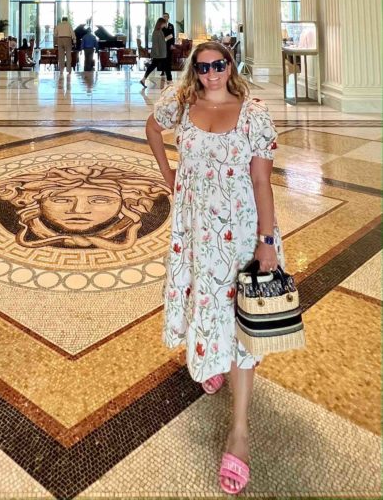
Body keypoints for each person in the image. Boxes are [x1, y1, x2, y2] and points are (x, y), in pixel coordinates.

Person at [144, 41, 281, 496]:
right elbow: (151, 128)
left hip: (241, 231)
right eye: (203, 67)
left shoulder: (253, 112)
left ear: (231, 66)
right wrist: (170, 178)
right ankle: (211, 357)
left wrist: (266, 241)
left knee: (240, 322)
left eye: (219, 64)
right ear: (194, 70)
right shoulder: (181, 102)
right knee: (207, 304)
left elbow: (261, 182)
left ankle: (239, 433)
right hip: (198, 231)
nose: (211, 73)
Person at [140, 18, 168, 87]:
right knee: (153, 66)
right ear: (161, 23)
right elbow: (155, 44)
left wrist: (166, 39)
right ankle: (143, 79)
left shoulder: (160, 31)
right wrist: (157, 53)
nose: (165, 24)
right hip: (159, 54)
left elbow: (161, 41)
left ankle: (143, 79)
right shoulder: (156, 32)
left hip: (162, 53)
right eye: (164, 23)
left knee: (155, 66)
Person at [162, 11, 175, 81]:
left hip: (169, 45)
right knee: (163, 59)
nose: (165, 18)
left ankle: (169, 75)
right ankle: (163, 71)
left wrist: (172, 44)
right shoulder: (160, 26)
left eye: (166, 16)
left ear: (168, 17)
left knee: (168, 60)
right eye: (164, 16)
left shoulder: (171, 26)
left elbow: (173, 35)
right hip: (162, 45)